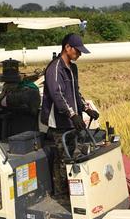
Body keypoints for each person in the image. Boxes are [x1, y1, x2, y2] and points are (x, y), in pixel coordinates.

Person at [41, 33, 99, 196]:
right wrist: (72, 115)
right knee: (63, 158)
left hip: (73, 120)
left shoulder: (72, 68)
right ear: (67, 47)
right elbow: (57, 95)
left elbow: (75, 92)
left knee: (77, 155)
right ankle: (61, 194)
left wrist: (86, 108)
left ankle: (76, 192)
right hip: (60, 122)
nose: (79, 54)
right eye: (77, 51)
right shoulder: (55, 68)